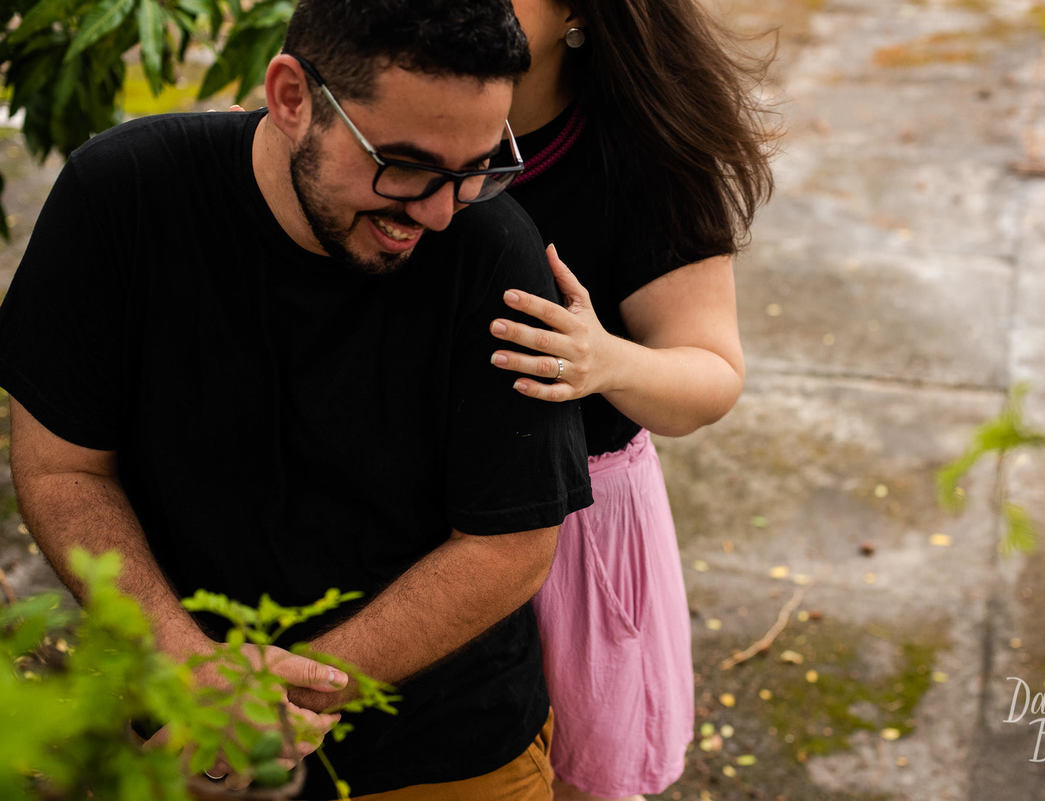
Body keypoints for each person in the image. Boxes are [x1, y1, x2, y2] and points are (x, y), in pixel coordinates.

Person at [0, 1, 591, 799]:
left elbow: (510, 544)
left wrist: (291, 689)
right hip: (176, 730)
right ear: (291, 97)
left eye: (480, 166)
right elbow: (65, 470)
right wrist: (191, 667)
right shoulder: (124, 195)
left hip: (446, 750)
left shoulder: (494, 247)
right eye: (406, 165)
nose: (441, 212)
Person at [484, 1, 776, 800]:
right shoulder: (391, 118)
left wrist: (604, 360)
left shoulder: (643, 158)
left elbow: (711, 376)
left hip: (574, 538)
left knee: (575, 777)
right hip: (418, 518)